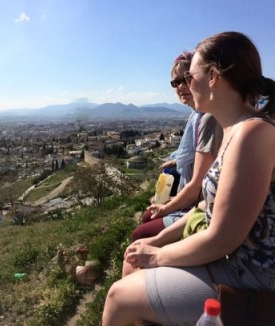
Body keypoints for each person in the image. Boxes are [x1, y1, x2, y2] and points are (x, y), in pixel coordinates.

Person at [103, 31, 275, 325]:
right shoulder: (235, 130)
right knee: (133, 265)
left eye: (189, 76)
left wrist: (157, 256)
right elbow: (203, 207)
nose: (184, 85)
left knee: (118, 298)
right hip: (232, 261)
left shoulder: (252, 133)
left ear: (213, 77)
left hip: (251, 276)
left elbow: (223, 238)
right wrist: (158, 240)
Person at [128, 52, 223, 245]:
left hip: (197, 205)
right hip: (192, 197)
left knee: (141, 233)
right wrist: (176, 160)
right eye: (175, 82)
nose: (181, 86)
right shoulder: (196, 116)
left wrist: (168, 205)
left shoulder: (208, 119)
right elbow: (195, 157)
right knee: (147, 217)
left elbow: (198, 185)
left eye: (186, 79)